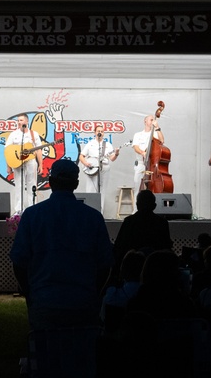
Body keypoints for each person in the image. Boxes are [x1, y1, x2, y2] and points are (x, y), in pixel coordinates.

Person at [10, 159, 113, 331]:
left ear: (50, 182)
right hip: (82, 301)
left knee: (45, 353)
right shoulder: (93, 217)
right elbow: (105, 264)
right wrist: (93, 293)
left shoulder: (32, 215)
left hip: (44, 300)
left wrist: (30, 292)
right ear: (76, 183)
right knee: (81, 354)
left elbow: (19, 262)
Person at [111, 189, 172, 268]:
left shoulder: (129, 222)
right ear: (154, 206)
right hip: (156, 268)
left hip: (132, 267)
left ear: (137, 205)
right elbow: (166, 248)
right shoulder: (162, 223)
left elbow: (119, 248)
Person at [6, 114, 44, 214]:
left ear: (27, 122)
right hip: (17, 162)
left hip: (31, 161)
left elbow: (39, 149)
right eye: (18, 120)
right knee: (19, 184)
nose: (19, 122)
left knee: (32, 184)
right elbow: (8, 151)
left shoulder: (33, 134)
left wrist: (41, 164)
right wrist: (8, 166)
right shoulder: (13, 134)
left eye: (21, 120)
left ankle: (32, 207)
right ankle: (19, 209)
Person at [78, 128, 119, 214]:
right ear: (95, 133)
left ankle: (100, 213)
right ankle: (89, 213)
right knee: (91, 190)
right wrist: (86, 163)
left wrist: (116, 154)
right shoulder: (90, 144)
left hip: (104, 168)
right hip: (92, 169)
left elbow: (112, 158)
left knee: (102, 191)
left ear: (103, 133)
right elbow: (81, 156)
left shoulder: (107, 144)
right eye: (98, 131)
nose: (100, 132)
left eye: (102, 131)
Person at [132, 112, 163, 192]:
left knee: (152, 188)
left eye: (153, 120)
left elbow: (162, 141)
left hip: (152, 165)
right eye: (151, 120)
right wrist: (143, 153)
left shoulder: (155, 134)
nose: (153, 121)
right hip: (141, 163)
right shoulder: (138, 134)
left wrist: (157, 127)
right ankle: (137, 204)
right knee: (138, 187)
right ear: (145, 121)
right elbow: (135, 147)